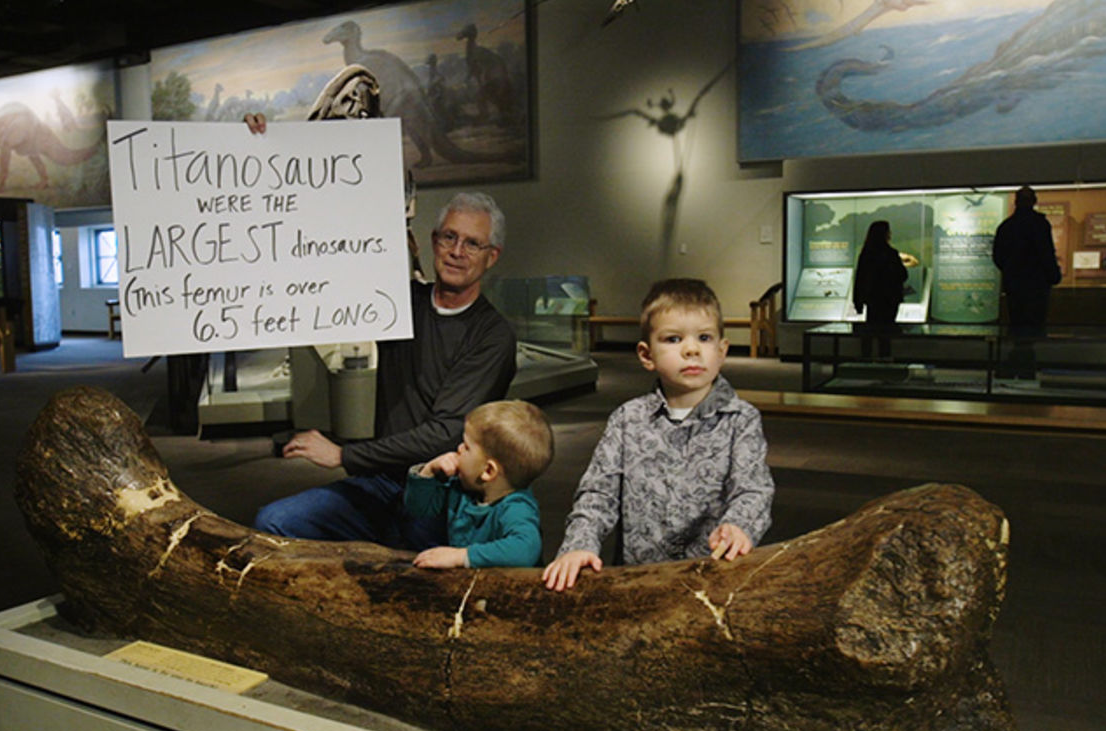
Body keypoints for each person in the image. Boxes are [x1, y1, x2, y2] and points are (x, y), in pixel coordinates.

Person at [253, 191, 517, 545]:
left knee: (413, 571)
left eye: (473, 244)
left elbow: (445, 432)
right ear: (433, 241)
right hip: (381, 480)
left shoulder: (492, 336)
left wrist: (344, 455)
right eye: (449, 237)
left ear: (492, 257)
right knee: (274, 522)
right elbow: (330, 277)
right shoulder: (399, 305)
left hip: (444, 491)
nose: (457, 252)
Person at [542, 278, 775, 592]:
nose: (691, 349)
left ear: (721, 351)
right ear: (646, 354)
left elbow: (753, 489)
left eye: (704, 338)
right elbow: (599, 493)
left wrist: (739, 525)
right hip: (639, 580)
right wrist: (579, 543)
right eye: (674, 339)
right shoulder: (628, 420)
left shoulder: (741, 420)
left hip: (713, 579)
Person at [404, 400, 552, 569]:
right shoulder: (463, 487)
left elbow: (525, 550)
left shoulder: (516, 507)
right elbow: (418, 509)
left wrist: (462, 556)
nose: (458, 448)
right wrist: (428, 472)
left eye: (466, 447)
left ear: (488, 470)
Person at [992, 185, 1061, 377]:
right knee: (1032, 328)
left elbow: (998, 257)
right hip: (1036, 286)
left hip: (1015, 286)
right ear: (1034, 201)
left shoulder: (1007, 226)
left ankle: (1017, 363)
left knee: (1017, 325)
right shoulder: (1039, 225)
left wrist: (1011, 272)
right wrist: (1052, 275)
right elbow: (1046, 253)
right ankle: (1025, 366)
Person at [851, 220, 908, 360]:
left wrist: (857, 301)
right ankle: (884, 362)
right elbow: (902, 275)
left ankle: (866, 361)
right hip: (889, 301)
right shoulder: (891, 253)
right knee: (885, 336)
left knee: (870, 332)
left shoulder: (866, 254)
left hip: (873, 300)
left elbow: (860, 279)